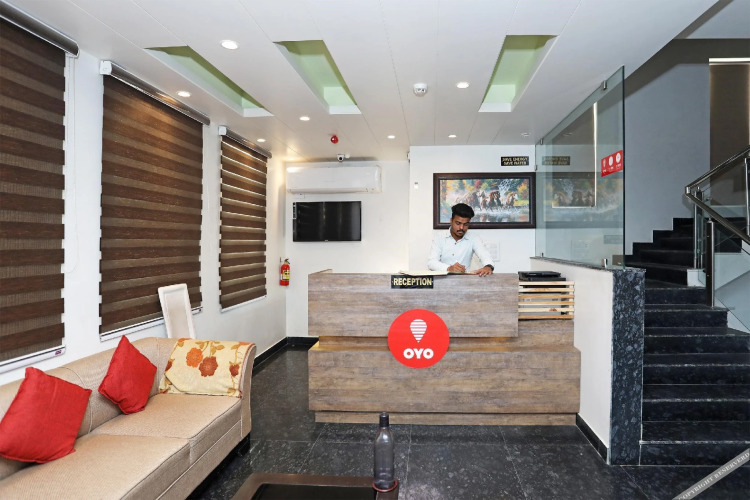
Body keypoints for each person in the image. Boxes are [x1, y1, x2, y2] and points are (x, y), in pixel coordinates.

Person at [428, 203, 495, 276]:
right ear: (451, 221)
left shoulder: (473, 238)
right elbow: (431, 263)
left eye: (465, 224)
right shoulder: (439, 237)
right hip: (443, 280)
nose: (461, 228)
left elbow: (484, 255)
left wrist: (488, 266)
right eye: (458, 223)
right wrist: (449, 268)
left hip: (465, 280)